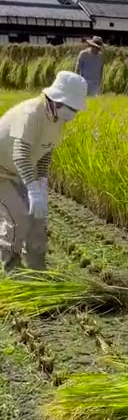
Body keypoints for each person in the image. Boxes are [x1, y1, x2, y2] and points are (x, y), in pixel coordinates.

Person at [0, 71, 88, 274]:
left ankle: (37, 270)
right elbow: (20, 153)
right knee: (18, 216)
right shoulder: (31, 113)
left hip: (19, 172)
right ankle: (10, 270)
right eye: (72, 108)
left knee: (38, 219)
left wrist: (41, 183)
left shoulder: (57, 119)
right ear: (57, 101)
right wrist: (32, 190)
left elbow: (45, 152)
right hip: (2, 170)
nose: (74, 114)